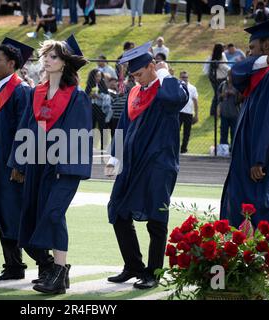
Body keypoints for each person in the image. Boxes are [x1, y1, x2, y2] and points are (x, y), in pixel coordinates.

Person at [8, 35, 92, 294]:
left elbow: (77, 135)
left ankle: (59, 271)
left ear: (65, 63)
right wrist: (19, 163)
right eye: (45, 55)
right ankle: (57, 273)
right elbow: (26, 127)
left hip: (62, 169)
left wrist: (62, 168)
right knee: (36, 215)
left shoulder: (76, 97)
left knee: (54, 215)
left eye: (53, 56)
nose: (46, 59)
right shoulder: (37, 92)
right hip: (37, 165)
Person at [105, 41, 189, 290]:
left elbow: (174, 99)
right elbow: (123, 127)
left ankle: (153, 273)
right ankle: (133, 265)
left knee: (156, 218)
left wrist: (164, 73)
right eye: (133, 76)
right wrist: (114, 159)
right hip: (131, 164)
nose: (137, 80)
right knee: (117, 211)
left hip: (158, 163)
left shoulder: (171, 87)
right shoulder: (134, 92)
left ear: (153, 66)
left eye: (140, 74)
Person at [220, 20, 269, 292]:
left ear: (266, 43)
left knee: (259, 211)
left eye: (253, 47)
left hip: (254, 159)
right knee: (251, 209)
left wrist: (260, 159)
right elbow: (235, 73)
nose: (248, 52)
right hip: (248, 156)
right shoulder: (265, 71)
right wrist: (267, 58)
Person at [0, 38, 55, 282]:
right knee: (3, 214)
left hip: (13, 165)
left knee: (19, 216)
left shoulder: (21, 90)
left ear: (12, 63)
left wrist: (21, 165)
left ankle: (47, 265)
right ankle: (13, 266)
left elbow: (28, 130)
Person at [86, 68, 110, 152]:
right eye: (97, 76)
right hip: (91, 108)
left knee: (102, 127)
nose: (98, 78)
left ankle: (104, 147)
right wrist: (90, 96)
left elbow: (107, 97)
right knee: (91, 127)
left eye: (100, 76)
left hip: (101, 109)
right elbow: (85, 97)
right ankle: (90, 146)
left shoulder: (103, 85)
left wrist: (99, 96)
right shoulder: (89, 85)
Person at [217, 70, 241, 155]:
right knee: (223, 133)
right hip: (224, 113)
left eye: (231, 76)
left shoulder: (238, 85)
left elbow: (242, 98)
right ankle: (223, 152)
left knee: (234, 133)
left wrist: (234, 94)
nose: (229, 77)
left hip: (235, 113)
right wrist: (223, 95)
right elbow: (218, 97)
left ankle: (233, 152)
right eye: (228, 75)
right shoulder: (223, 85)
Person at [205, 43, 230, 116]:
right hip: (218, 78)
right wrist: (230, 70)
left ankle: (218, 111)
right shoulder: (218, 56)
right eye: (223, 47)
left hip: (219, 77)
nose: (224, 49)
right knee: (218, 95)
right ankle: (214, 112)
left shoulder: (220, 55)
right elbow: (223, 66)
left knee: (218, 95)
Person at [179, 71, 199, 154]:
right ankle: (175, 148)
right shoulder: (178, 87)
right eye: (183, 77)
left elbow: (195, 102)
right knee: (175, 131)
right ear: (180, 78)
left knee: (187, 133)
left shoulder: (192, 88)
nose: (185, 79)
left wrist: (196, 115)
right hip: (179, 112)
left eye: (186, 77)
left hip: (189, 113)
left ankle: (184, 149)